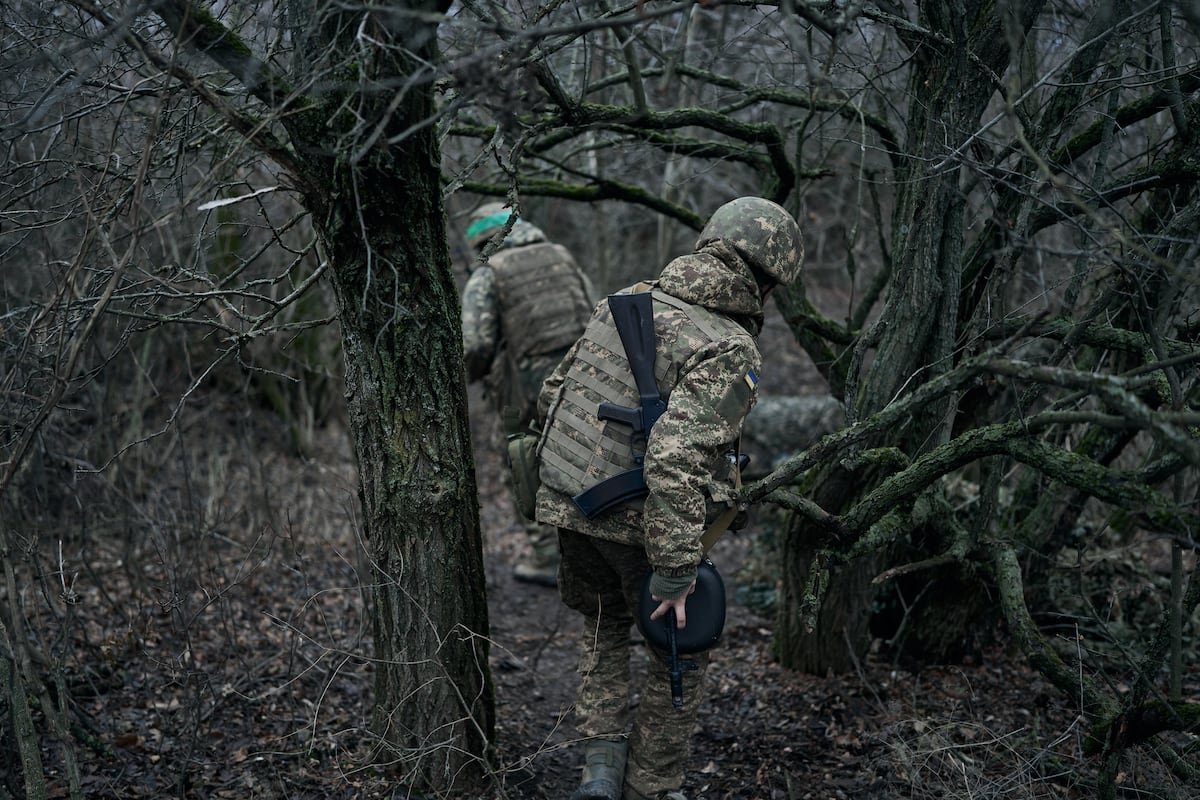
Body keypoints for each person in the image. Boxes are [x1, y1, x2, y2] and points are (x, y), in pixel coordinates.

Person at [534, 196, 804, 800]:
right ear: (767, 278)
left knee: (602, 626)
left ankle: (599, 770)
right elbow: (676, 458)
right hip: (641, 523)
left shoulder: (623, 300)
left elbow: (553, 395)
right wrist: (677, 570)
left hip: (572, 508)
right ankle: (653, 786)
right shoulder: (729, 347)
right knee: (678, 648)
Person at [461, 201, 595, 586]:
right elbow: (595, 309)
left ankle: (548, 557)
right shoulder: (561, 255)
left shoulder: (490, 273)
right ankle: (594, 555)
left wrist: (471, 376)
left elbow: (476, 343)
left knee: (523, 466)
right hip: (587, 379)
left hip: (528, 388)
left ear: (485, 240)